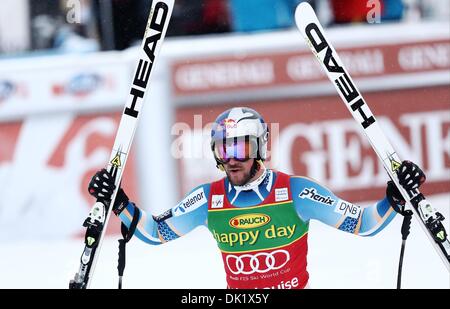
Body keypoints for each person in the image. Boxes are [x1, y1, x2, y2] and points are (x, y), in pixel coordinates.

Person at [88, 107, 426, 289]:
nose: (231, 157)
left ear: (260, 147)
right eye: (224, 147)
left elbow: (363, 225)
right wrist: (121, 204)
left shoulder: (296, 192)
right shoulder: (208, 199)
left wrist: (393, 199)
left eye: (240, 146)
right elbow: (156, 232)